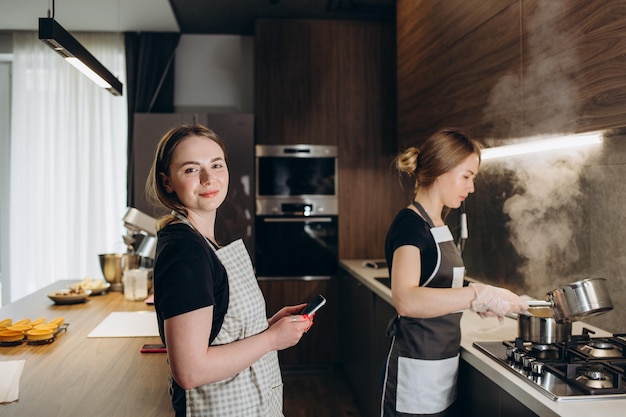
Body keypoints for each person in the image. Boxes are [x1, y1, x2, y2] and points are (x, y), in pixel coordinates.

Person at [146, 124, 312, 417]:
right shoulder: (185, 251)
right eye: (190, 169)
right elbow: (190, 371)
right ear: (167, 182)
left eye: (216, 165)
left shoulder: (201, 241)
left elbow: (216, 330)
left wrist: (269, 325)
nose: (209, 179)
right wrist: (272, 340)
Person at [380, 128, 528, 417]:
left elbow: (440, 290)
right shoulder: (411, 225)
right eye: (467, 176)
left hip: (441, 367)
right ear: (441, 170)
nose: (471, 188)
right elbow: (406, 300)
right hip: (417, 373)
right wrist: (476, 295)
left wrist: (480, 302)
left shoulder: (437, 223)